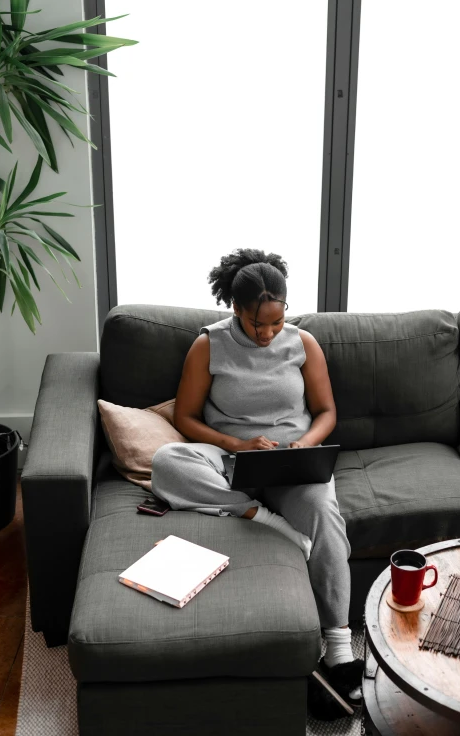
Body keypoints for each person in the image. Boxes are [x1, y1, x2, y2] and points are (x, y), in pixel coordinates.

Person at [151, 247, 364, 720]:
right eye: (256, 324)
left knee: (327, 516)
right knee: (167, 462)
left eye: (275, 321)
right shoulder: (207, 344)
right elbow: (185, 418)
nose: (267, 333)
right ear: (236, 309)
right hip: (230, 459)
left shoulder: (303, 343)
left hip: (292, 463)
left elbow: (327, 412)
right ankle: (261, 516)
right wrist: (237, 443)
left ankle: (338, 646)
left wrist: (303, 444)